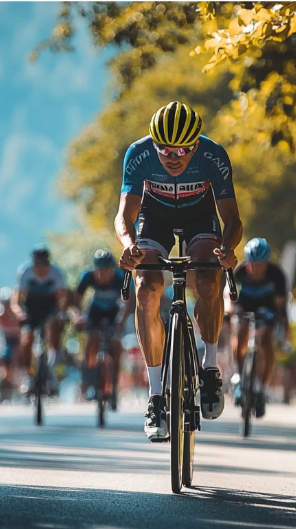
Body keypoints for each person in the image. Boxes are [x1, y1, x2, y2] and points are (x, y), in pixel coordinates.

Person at [114, 101, 242, 440]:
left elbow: (232, 219)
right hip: (154, 219)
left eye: (182, 150)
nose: (173, 157)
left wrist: (228, 251)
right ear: (154, 144)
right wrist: (128, 245)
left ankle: (210, 367)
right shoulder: (139, 155)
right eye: (165, 150)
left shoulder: (213, 156)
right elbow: (124, 215)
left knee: (209, 280)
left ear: (196, 145)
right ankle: (157, 397)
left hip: (200, 217)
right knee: (147, 289)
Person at [230, 238, 288, 419]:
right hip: (244, 307)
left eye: (260, 265)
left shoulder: (276, 274)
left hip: (267, 309)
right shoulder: (239, 272)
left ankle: (261, 389)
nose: (255, 269)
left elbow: (281, 306)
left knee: (265, 340)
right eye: (252, 264)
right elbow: (229, 298)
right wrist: (230, 312)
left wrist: (283, 323)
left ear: (266, 263)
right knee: (240, 331)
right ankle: (239, 375)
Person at [73, 249, 131, 402]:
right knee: (90, 344)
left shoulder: (120, 278)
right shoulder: (88, 277)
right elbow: (76, 302)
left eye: (106, 270)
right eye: (100, 270)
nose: (103, 274)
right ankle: (91, 381)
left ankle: (114, 385)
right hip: (95, 311)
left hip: (114, 312)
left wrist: (121, 320)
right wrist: (78, 317)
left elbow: (127, 303)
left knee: (116, 347)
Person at [13, 245, 68, 394]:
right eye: (38, 265)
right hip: (31, 308)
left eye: (44, 265)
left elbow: (62, 298)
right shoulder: (25, 272)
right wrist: (20, 313)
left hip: (50, 306)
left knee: (54, 329)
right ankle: (27, 376)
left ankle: (52, 368)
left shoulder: (57, 273)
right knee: (27, 338)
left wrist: (61, 313)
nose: (41, 269)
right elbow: (17, 299)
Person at [0, 287, 21, 402]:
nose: (6, 306)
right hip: (4, 339)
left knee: (19, 357)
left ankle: (21, 379)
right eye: (3, 303)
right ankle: (5, 382)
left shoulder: (16, 311)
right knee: (4, 361)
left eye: (7, 303)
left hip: (16, 338)